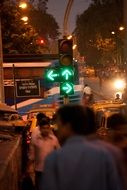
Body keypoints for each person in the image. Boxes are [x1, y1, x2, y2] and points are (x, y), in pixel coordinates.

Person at [41, 104, 124, 190]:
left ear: (67, 126)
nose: (56, 129)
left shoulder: (54, 159)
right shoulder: (103, 154)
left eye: (59, 125)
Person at [28, 117, 60, 190]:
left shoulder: (54, 139)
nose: (45, 130)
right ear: (40, 129)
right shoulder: (36, 140)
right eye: (43, 128)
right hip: (39, 171)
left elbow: (59, 154)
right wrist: (28, 167)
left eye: (47, 128)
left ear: (49, 128)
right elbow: (31, 155)